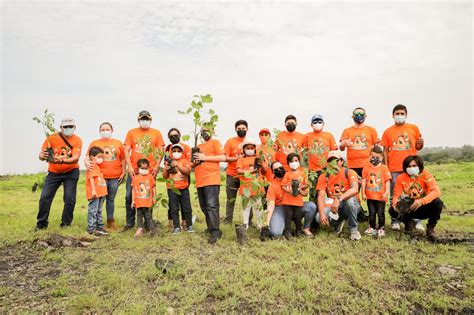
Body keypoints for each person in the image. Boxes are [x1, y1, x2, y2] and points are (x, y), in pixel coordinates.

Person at [381, 104, 424, 231]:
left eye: (402, 113)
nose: (399, 116)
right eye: (397, 114)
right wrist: (386, 167)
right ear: (393, 115)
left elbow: (418, 146)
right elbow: (385, 151)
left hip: (412, 167)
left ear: (406, 115)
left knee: (415, 193)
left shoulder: (414, 128)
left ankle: (417, 221)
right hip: (394, 168)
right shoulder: (388, 131)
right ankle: (395, 221)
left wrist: (422, 144)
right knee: (395, 195)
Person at [36, 117, 82, 230]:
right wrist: (43, 156)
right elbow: (41, 155)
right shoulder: (51, 138)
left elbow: (75, 158)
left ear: (74, 127)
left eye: (70, 126)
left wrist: (61, 160)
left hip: (71, 172)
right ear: (61, 127)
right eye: (65, 127)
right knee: (45, 197)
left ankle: (66, 224)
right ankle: (41, 224)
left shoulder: (77, 140)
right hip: (53, 172)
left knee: (69, 198)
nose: (68, 128)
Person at [123, 110, 165, 231]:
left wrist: (157, 166)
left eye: (147, 119)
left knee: (148, 195)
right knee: (129, 195)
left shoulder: (156, 133)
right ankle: (130, 222)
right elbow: (126, 149)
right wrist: (129, 166)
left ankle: (148, 222)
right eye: (142, 119)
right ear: (138, 120)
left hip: (149, 171)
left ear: (150, 120)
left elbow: (161, 149)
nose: (144, 121)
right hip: (134, 171)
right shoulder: (132, 132)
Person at [388, 155, 443, 241]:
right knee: (392, 209)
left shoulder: (426, 174)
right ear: (405, 168)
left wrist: (422, 201)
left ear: (419, 166)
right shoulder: (401, 178)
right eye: (409, 166)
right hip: (411, 208)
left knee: (438, 202)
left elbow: (437, 191)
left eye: (414, 166)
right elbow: (396, 195)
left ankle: (430, 228)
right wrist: (395, 205)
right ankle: (408, 223)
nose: (411, 168)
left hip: (425, 207)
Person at [85, 122, 125, 231]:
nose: (105, 131)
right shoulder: (95, 142)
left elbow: (122, 158)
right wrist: (87, 164)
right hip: (100, 177)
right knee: (99, 200)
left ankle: (110, 221)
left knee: (111, 199)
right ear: (99, 131)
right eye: (103, 129)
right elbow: (87, 156)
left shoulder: (118, 143)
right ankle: (97, 224)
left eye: (107, 129)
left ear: (112, 130)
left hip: (115, 176)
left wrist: (124, 171)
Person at [315, 151, 362, 240]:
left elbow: (355, 189)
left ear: (341, 161)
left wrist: (339, 199)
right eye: (330, 161)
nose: (333, 163)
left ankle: (353, 230)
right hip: (334, 206)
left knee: (350, 201)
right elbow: (321, 196)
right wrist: (321, 214)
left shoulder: (349, 172)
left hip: (351, 205)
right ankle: (338, 222)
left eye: (335, 160)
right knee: (318, 217)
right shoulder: (324, 176)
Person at [193, 124, 226, 244]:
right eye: (202, 131)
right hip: (200, 180)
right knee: (204, 206)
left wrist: (204, 157)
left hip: (211, 179)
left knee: (212, 205)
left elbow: (222, 157)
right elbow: (195, 163)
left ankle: (216, 232)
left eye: (207, 130)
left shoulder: (215, 142)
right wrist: (196, 160)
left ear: (212, 131)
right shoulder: (199, 146)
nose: (204, 133)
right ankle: (210, 228)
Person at [265, 162, 316, 238]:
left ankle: (306, 229)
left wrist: (300, 190)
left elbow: (305, 192)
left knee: (311, 206)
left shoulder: (293, 177)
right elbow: (271, 204)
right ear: (273, 172)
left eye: (281, 168)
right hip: (280, 207)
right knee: (276, 233)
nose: (279, 170)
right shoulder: (272, 186)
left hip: (295, 205)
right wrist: (267, 222)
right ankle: (284, 225)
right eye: (276, 169)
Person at [304, 114, 338, 203]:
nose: (317, 123)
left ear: (323, 124)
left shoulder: (329, 135)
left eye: (320, 121)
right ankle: (314, 215)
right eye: (315, 122)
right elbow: (302, 150)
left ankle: (332, 214)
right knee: (313, 194)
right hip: (313, 171)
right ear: (311, 124)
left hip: (327, 170)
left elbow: (334, 153)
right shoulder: (307, 136)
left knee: (331, 193)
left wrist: (333, 168)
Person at [339, 107, 379, 176]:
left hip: (368, 165)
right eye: (357, 114)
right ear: (352, 116)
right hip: (352, 166)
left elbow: (377, 148)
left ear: (365, 116)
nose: (359, 115)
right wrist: (343, 144)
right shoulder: (347, 131)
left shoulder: (371, 130)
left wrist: (377, 163)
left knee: (367, 185)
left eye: (361, 113)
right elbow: (341, 148)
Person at [163, 144, 194, 234]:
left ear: (182, 152)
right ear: (171, 153)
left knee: (187, 208)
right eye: (174, 151)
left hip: (183, 188)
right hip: (171, 189)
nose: (176, 152)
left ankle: (189, 226)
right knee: (174, 208)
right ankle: (176, 227)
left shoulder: (185, 161)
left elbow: (188, 172)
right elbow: (165, 176)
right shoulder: (168, 161)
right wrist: (166, 169)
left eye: (179, 151)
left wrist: (177, 165)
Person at [236, 139, 266, 229]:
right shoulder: (241, 159)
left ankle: (260, 225)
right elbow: (238, 171)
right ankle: (245, 224)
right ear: (244, 150)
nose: (250, 150)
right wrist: (248, 171)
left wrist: (262, 165)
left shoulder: (258, 159)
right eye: (247, 148)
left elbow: (264, 171)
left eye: (252, 148)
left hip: (257, 186)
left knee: (258, 205)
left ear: (255, 149)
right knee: (246, 205)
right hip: (245, 186)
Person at [361, 146, 391, 237]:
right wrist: (363, 193)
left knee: (381, 213)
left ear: (382, 157)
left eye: (377, 157)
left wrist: (386, 192)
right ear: (370, 156)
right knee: (372, 213)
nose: (375, 159)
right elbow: (363, 181)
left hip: (381, 197)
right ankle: (372, 227)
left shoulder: (384, 168)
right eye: (373, 157)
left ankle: (381, 228)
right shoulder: (366, 168)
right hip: (370, 196)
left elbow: (387, 181)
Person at [223, 120, 248, 224]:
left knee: (247, 198)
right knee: (230, 199)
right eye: (239, 129)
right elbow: (225, 157)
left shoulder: (249, 142)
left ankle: (248, 221)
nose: (241, 130)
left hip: (246, 176)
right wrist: (236, 158)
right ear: (235, 129)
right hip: (232, 175)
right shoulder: (230, 141)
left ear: (247, 129)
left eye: (243, 129)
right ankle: (228, 220)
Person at [281, 153, 309, 238]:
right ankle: (288, 232)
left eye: (296, 161)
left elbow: (306, 184)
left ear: (299, 162)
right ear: (288, 163)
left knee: (298, 216)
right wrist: (288, 190)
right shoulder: (287, 174)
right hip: (287, 200)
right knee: (288, 216)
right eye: (291, 161)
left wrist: (302, 187)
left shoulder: (302, 173)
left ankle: (298, 231)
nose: (294, 163)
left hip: (298, 200)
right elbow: (282, 185)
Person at [85, 146, 109, 236]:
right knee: (93, 210)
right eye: (99, 157)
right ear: (92, 157)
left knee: (99, 210)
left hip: (101, 193)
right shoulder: (92, 166)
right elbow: (91, 178)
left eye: (102, 157)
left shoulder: (97, 167)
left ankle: (99, 226)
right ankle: (91, 228)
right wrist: (93, 191)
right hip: (95, 193)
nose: (101, 159)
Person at [131, 159, 156, 238]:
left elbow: (153, 187)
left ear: (148, 168)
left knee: (148, 215)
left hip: (148, 202)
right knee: (139, 215)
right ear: (138, 168)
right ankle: (140, 229)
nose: (144, 170)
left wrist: (154, 198)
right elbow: (133, 190)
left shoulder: (150, 177)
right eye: (142, 168)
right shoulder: (135, 178)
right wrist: (133, 200)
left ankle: (152, 230)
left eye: (146, 168)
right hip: (139, 202)